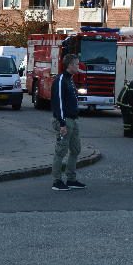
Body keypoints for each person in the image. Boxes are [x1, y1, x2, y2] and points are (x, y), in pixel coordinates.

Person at [50, 54, 86, 191]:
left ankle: (71, 179)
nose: (78, 66)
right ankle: (57, 181)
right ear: (69, 65)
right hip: (64, 121)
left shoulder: (70, 79)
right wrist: (62, 123)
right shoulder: (60, 80)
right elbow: (58, 103)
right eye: (76, 64)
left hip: (73, 120)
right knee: (61, 151)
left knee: (76, 149)